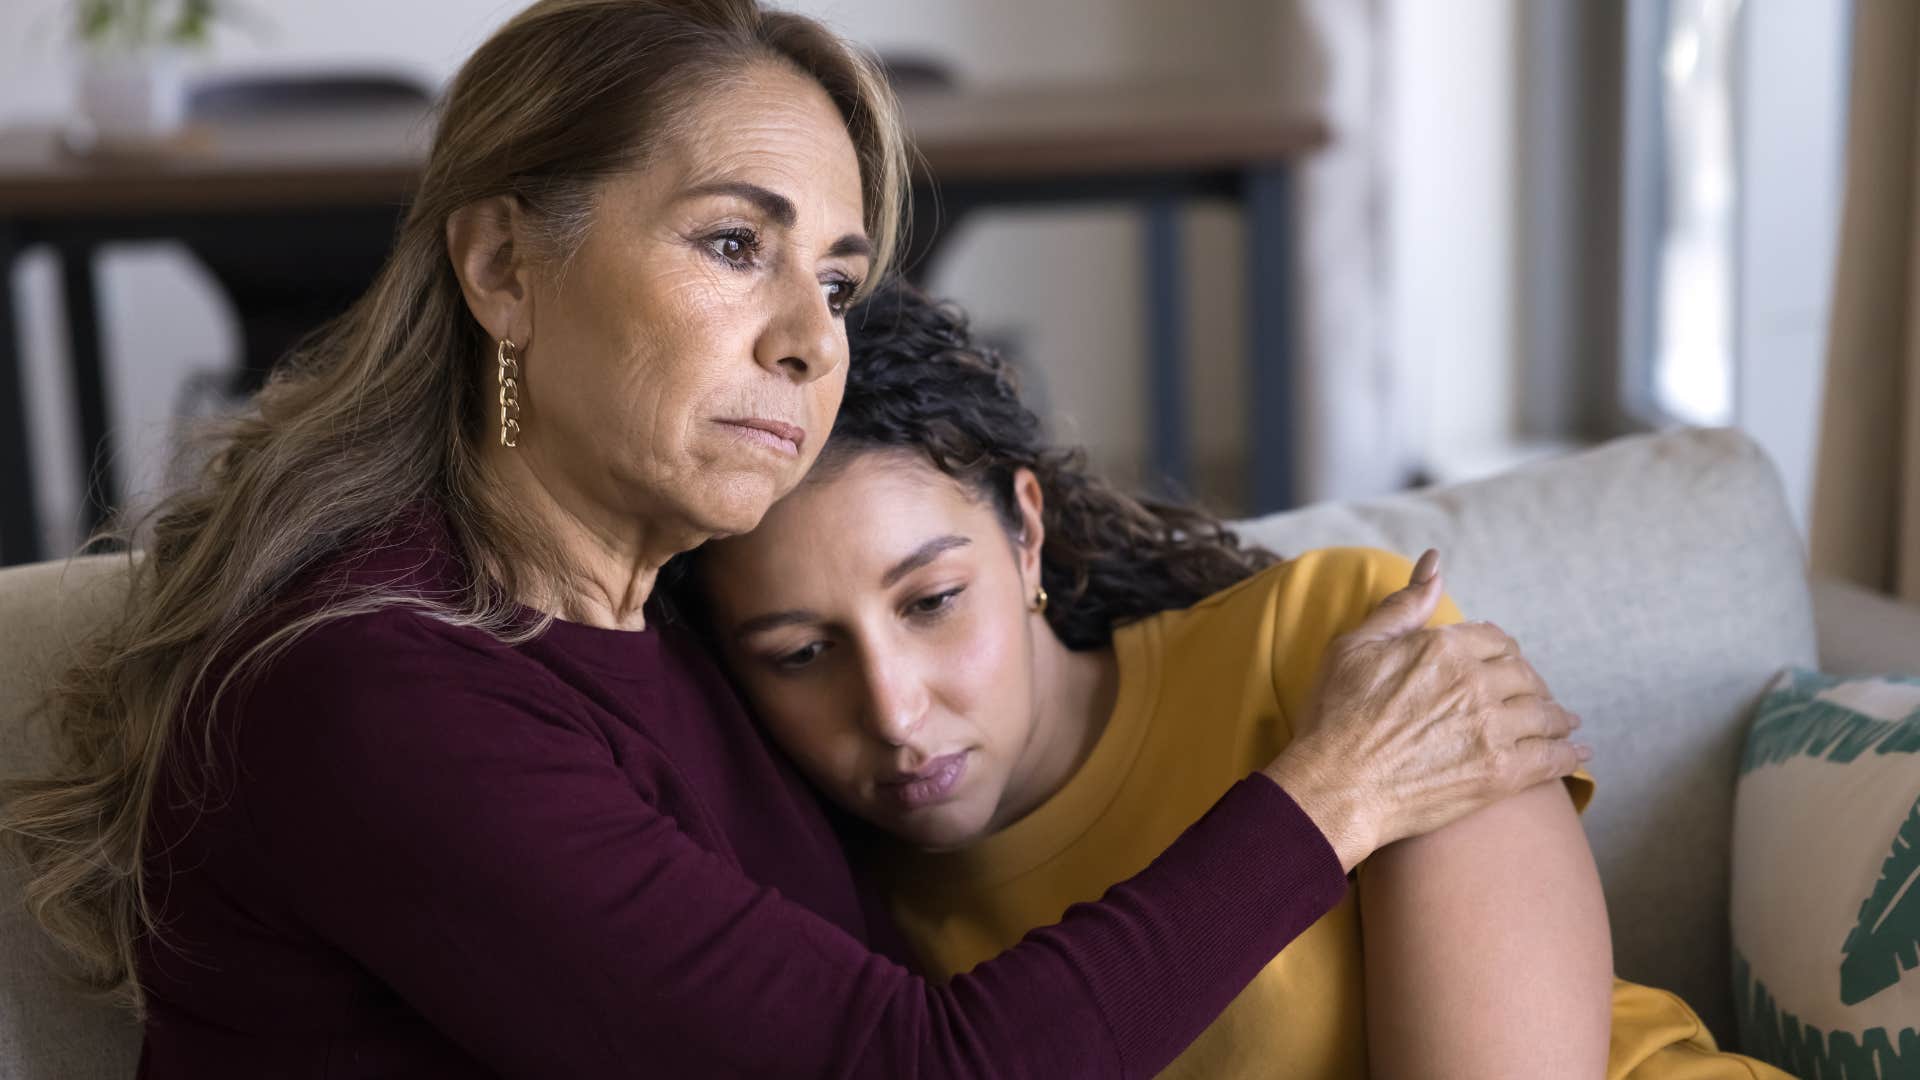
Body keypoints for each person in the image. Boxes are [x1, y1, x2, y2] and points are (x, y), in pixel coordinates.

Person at [0, 2, 1585, 1076]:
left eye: (831, 279)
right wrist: (1338, 790)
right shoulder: (378, 689)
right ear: (501, 269)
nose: (808, 342)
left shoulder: (682, 616)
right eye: (731, 243)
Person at [686, 280, 1794, 1080]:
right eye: (802, 655)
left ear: (1026, 534)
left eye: (932, 603)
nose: (893, 711)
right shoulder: (839, 935)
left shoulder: (1327, 644)